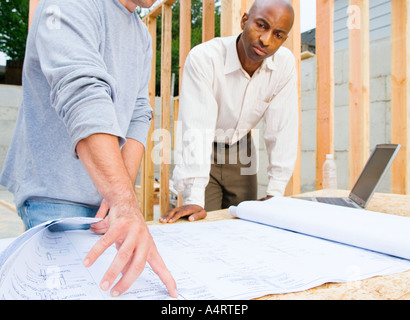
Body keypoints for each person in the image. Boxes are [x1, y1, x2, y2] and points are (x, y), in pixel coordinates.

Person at [0, 0, 177, 298]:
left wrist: (120, 200)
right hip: (55, 195)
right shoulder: (67, 4)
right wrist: (121, 200)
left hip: (104, 202)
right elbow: (81, 91)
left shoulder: (141, 34)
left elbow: (138, 113)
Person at [161, 0, 298, 223]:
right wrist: (193, 196)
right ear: (245, 20)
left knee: (244, 225)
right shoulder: (204, 59)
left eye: (278, 35)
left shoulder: (284, 66)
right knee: (202, 223)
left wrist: (276, 193)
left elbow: (282, 129)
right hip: (205, 149)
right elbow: (197, 128)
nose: (266, 40)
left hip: (242, 151)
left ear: (284, 39)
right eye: (261, 25)